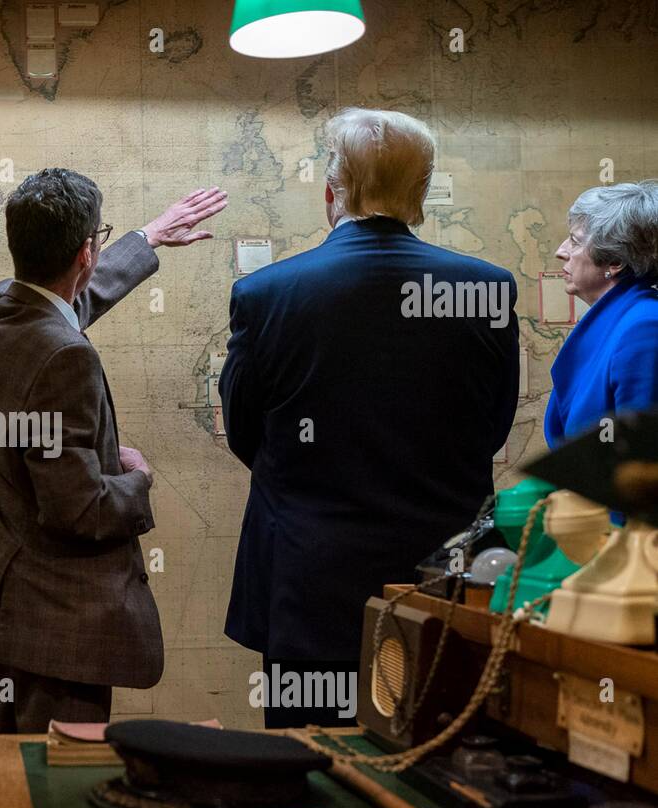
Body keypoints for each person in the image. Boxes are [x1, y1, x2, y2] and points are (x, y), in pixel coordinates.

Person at [219, 108, 520, 728]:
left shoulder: (267, 293)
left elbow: (248, 434)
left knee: (313, 768)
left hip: (310, 581)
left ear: (333, 191)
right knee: (438, 762)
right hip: (444, 585)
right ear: (422, 193)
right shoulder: (487, 289)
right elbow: (490, 430)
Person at [0, 169, 227, 733]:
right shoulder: (65, 359)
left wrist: (148, 237)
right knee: (55, 790)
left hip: (8, 607)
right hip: (59, 630)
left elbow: (60, 309)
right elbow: (76, 507)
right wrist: (138, 478)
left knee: (18, 780)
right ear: (86, 251)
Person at [545, 180, 658, 448]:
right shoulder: (619, 316)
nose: (560, 251)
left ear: (615, 262)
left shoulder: (644, 328)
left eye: (575, 241)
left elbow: (639, 458)